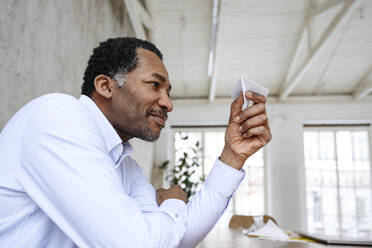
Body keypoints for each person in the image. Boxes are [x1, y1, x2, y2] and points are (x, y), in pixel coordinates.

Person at [0, 37, 271, 248]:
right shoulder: (58, 116)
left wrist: (233, 156)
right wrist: (174, 202)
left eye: (168, 91)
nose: (168, 103)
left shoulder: (124, 166)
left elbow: (177, 237)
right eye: (155, 85)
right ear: (106, 86)